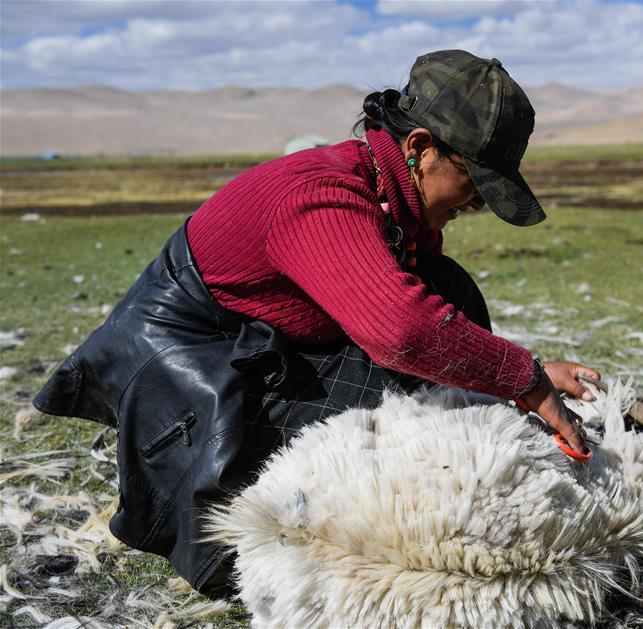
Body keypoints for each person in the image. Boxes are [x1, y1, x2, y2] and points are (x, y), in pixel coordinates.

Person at [33, 49, 599, 596]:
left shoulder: (392, 198)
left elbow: (423, 317)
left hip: (266, 354)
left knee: (444, 290)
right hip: (192, 390)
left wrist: (518, 374)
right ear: (421, 148)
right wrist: (523, 377)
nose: (477, 204)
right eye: (474, 183)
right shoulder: (320, 196)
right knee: (337, 511)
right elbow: (401, 331)